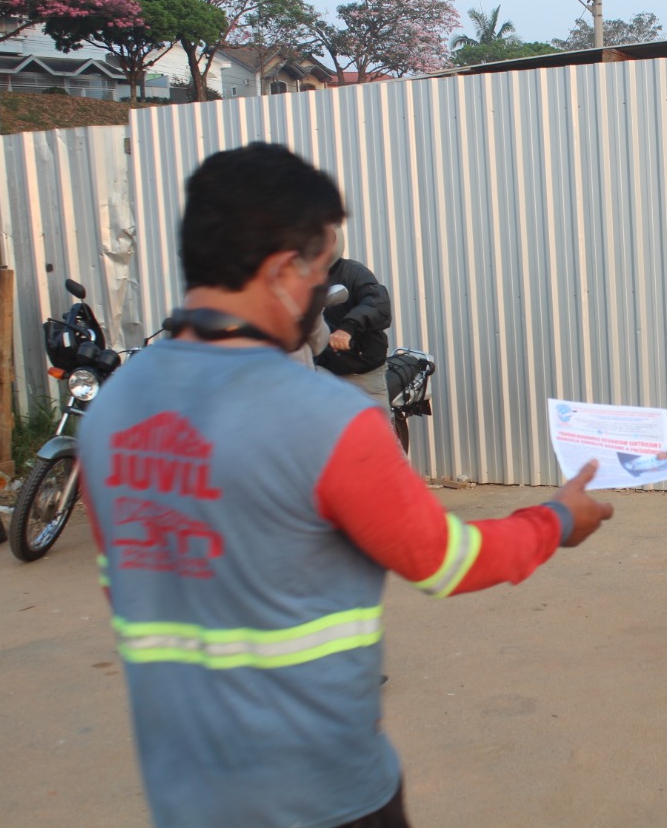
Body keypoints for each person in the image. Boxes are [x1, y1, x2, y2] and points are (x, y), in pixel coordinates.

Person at [77, 142, 614, 828]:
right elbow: (445, 559)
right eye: (322, 272)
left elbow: (127, 578)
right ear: (280, 271)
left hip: (185, 795)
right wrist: (558, 519)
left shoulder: (114, 408)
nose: (327, 294)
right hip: (326, 796)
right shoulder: (325, 418)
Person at [315, 225, 395, 406]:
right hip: (322, 368)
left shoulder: (353, 272)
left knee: (376, 431)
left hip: (360, 371)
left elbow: (377, 303)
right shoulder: (299, 279)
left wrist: (347, 328)